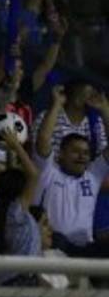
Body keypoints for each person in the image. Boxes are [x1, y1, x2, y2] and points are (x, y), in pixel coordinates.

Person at [34, 85, 109, 249]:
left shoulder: (93, 175)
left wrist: (104, 110)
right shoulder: (48, 172)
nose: (82, 156)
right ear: (60, 154)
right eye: (75, 151)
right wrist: (57, 105)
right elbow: (44, 139)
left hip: (85, 249)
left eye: (86, 153)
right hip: (53, 247)